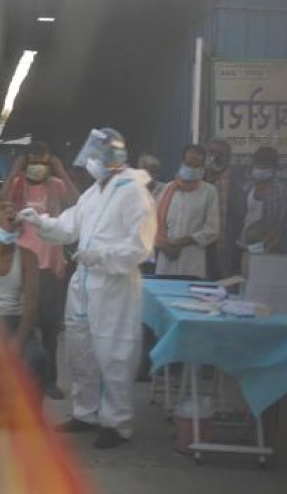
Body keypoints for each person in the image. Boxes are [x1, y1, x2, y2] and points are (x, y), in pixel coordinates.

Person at [18, 127, 156, 448]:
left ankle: (117, 423)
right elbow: (69, 225)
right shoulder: (94, 192)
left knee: (113, 351)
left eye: (94, 156)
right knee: (81, 348)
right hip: (84, 279)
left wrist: (102, 255)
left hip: (114, 283)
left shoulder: (133, 192)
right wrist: (40, 221)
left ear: (112, 157)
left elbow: (141, 246)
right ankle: (86, 412)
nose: (89, 162)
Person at [0, 141, 79, 400]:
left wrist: (61, 170)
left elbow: (78, 202)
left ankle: (48, 380)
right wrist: (13, 172)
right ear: (26, 162)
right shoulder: (18, 184)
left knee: (50, 327)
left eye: (43, 163)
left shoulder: (56, 185)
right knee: (18, 323)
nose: (37, 168)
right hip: (21, 265)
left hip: (50, 265)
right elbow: (0, 203)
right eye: (33, 162)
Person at [0, 199, 45, 389]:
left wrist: (18, 341)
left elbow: (32, 302)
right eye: (1, 208)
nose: (8, 212)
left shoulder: (28, 256)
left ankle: (29, 413)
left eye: (12, 208)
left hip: (17, 323)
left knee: (37, 357)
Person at [154, 144, 220, 279]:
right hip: (165, 261)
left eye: (197, 166)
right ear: (181, 163)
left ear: (203, 168)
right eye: (188, 164)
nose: (192, 169)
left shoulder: (209, 191)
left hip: (191, 261)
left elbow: (212, 230)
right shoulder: (167, 189)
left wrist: (182, 241)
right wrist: (165, 246)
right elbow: (154, 223)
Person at [237, 146, 287, 256]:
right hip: (243, 247)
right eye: (258, 165)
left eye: (265, 166)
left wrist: (267, 247)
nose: (261, 169)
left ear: (274, 168)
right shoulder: (247, 188)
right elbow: (239, 217)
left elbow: (285, 229)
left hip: (270, 251)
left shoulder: (282, 193)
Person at [204, 138, 243, 279]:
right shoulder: (199, 177)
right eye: (213, 152)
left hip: (223, 246)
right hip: (198, 245)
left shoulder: (236, 182)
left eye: (221, 154)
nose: (216, 157)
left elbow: (240, 216)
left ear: (228, 158)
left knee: (223, 284)